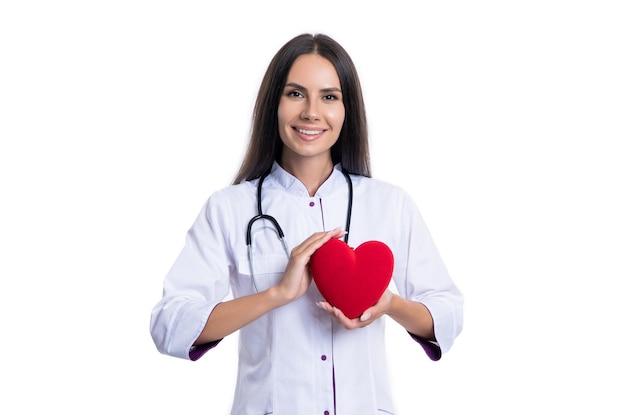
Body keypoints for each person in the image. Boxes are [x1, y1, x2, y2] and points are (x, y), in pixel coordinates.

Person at [150, 33, 464, 414]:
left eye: (329, 96)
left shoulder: (389, 204)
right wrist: (276, 294)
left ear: (347, 109)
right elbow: (169, 324)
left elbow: (448, 312)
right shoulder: (229, 209)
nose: (312, 112)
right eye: (295, 94)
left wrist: (389, 304)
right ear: (273, 104)